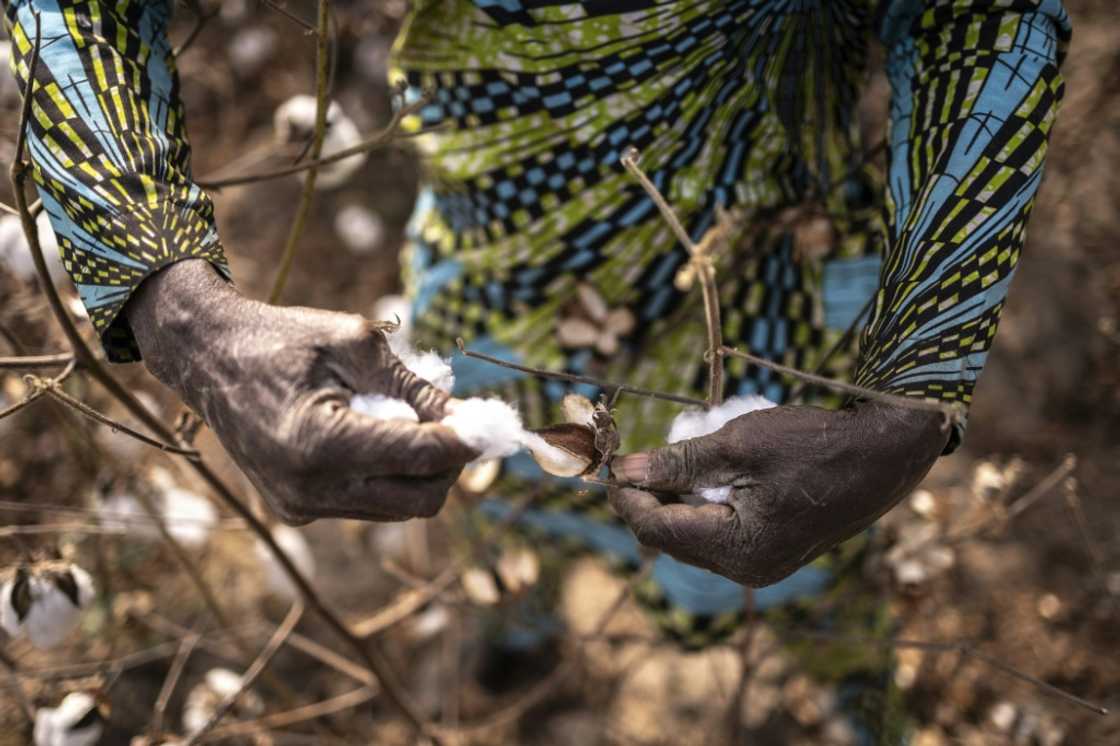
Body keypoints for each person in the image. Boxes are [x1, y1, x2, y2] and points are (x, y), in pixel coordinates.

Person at [5, 0, 1067, 663]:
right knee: (491, 480)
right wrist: (183, 316)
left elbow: (987, 14)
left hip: (768, 250)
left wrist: (919, 375)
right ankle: (526, 617)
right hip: (494, 247)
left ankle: (821, 668)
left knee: (763, 531)